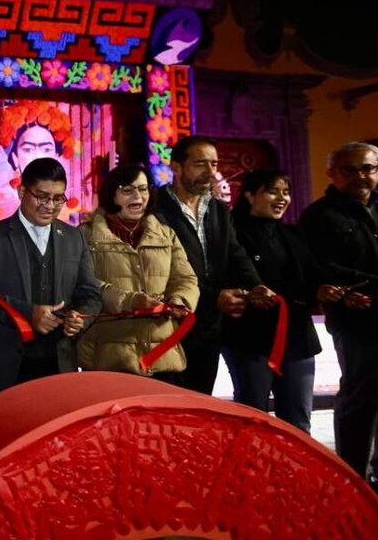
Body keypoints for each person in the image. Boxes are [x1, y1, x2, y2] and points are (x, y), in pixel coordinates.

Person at [300, 142, 378, 479]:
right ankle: (351, 477)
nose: (361, 176)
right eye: (351, 169)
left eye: (369, 168)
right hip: (363, 319)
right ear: (332, 172)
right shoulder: (319, 216)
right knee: (361, 398)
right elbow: (321, 268)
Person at [0, 158, 102, 398]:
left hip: (59, 365)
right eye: (41, 196)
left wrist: (80, 318)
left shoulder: (74, 238)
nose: (50, 206)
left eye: (58, 198)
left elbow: (90, 293)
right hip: (6, 367)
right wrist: (30, 313)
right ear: (22, 191)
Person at [223, 169, 343, 433]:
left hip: (297, 338)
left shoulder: (292, 234)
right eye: (273, 191)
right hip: (251, 340)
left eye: (286, 192)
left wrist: (323, 290)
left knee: (298, 421)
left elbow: (314, 276)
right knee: (252, 418)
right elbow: (244, 279)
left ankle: (295, 474)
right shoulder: (232, 234)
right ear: (250, 194)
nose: (282, 198)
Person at [154, 136, 276, 395]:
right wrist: (212, 298)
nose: (211, 172)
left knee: (200, 404)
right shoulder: (154, 210)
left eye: (214, 164)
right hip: (168, 326)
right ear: (176, 167)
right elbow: (160, 271)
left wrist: (255, 286)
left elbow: (235, 254)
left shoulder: (219, 210)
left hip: (210, 328)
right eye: (200, 164)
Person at [77, 165, 198, 380]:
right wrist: (131, 301)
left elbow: (185, 278)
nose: (138, 196)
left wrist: (179, 299)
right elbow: (85, 284)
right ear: (111, 194)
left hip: (162, 353)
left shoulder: (165, 234)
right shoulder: (86, 235)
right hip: (109, 355)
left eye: (143, 189)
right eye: (127, 190)